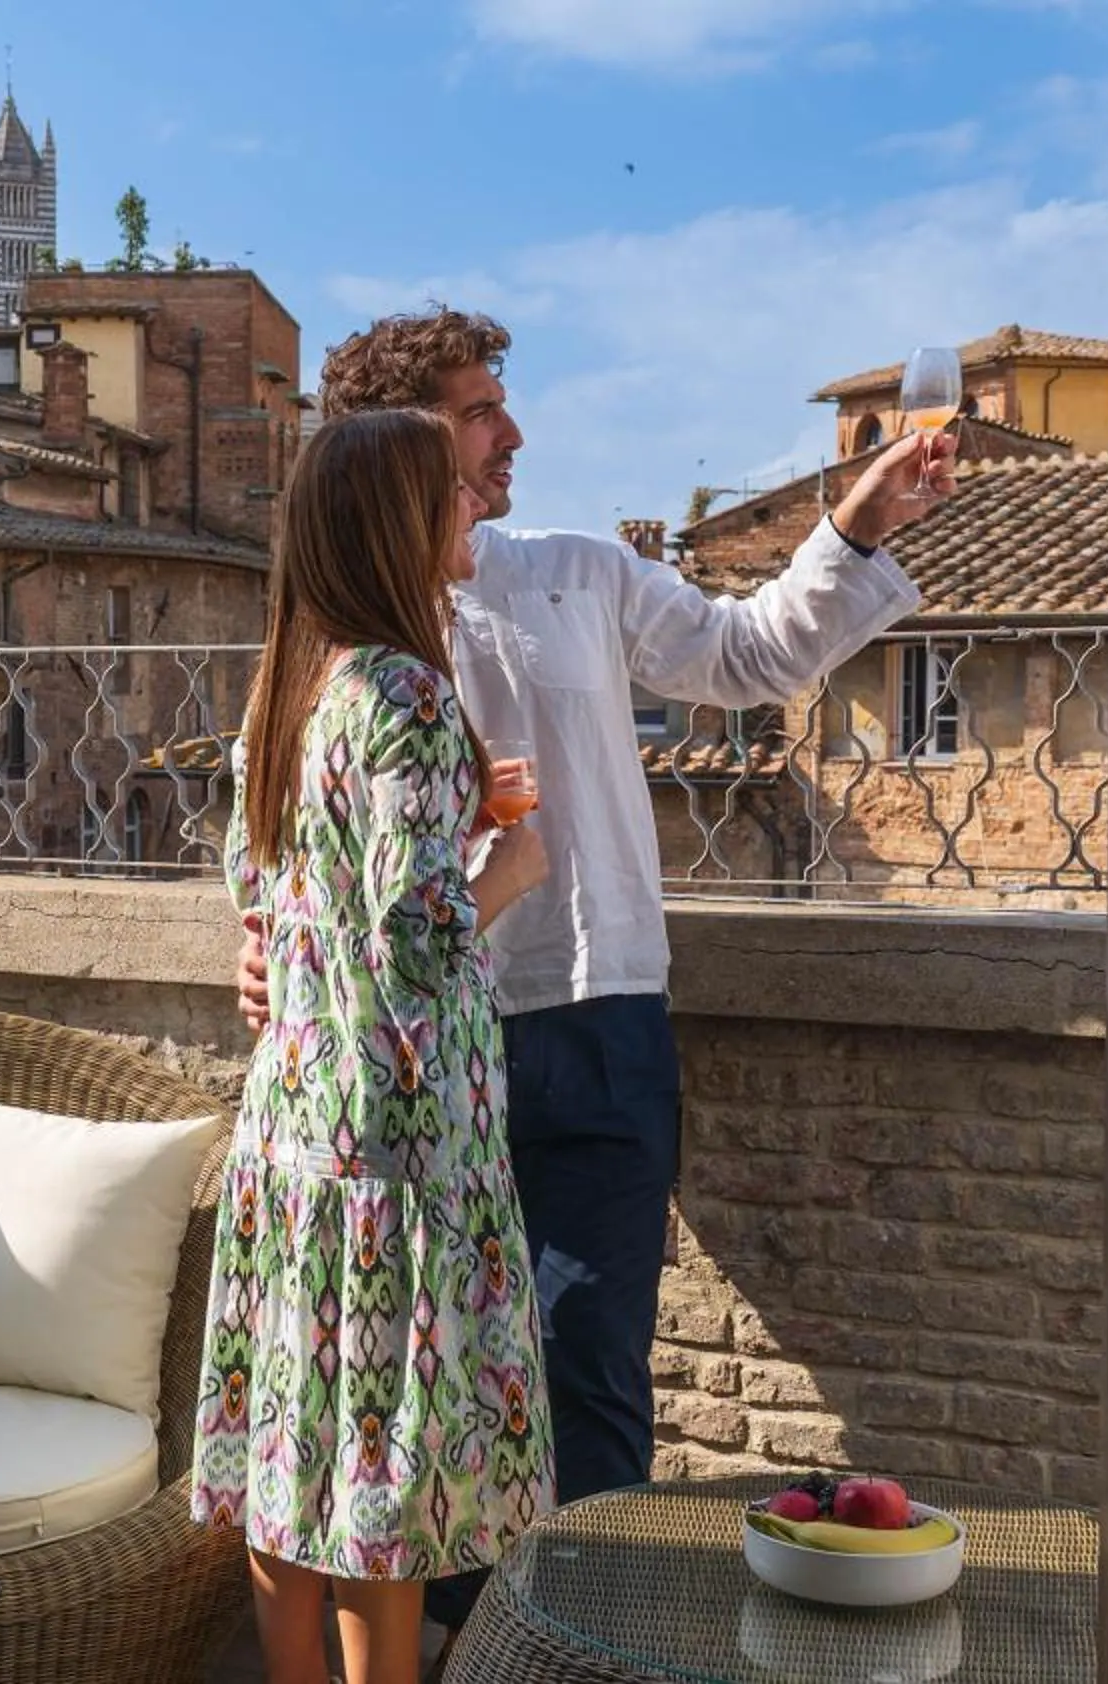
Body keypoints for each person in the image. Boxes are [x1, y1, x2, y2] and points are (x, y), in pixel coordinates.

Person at [239, 306, 958, 1635]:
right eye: (476, 412)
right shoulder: (343, 636)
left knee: (589, 1375)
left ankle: (591, 1645)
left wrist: (854, 529)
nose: (512, 434)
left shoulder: (575, 570)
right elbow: (289, 829)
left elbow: (746, 660)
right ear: (396, 444)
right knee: (428, 1385)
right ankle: (468, 1645)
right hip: (413, 1061)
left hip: (601, 1024)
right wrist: (275, 955)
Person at [192, 408, 557, 1684]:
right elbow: (415, 939)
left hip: (291, 1141)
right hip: (390, 1158)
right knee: (383, 1492)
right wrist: (504, 863)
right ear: (397, 523)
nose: (473, 509)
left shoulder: (285, 690)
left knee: (296, 1460)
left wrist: (460, 814)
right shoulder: (402, 691)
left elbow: (270, 890)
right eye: (453, 492)